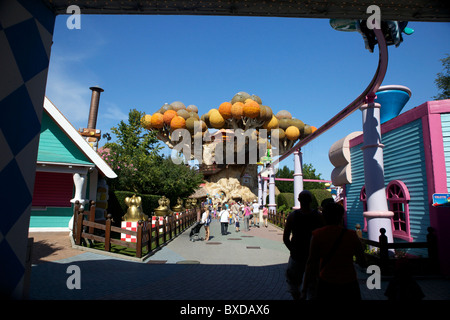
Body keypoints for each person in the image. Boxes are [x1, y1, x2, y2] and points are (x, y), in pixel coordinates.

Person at [301, 202, 366, 300]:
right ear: (341, 217)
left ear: (324, 217)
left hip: (326, 281)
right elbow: (362, 261)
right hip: (349, 282)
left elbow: (311, 263)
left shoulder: (318, 235)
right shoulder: (351, 235)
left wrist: (304, 289)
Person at [283, 190, 324, 300]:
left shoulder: (293, 216)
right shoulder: (318, 216)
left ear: (298, 200)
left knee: (293, 282)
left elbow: (286, 237)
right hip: (313, 254)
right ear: (311, 200)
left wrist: (292, 250)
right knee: (313, 283)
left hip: (297, 254)